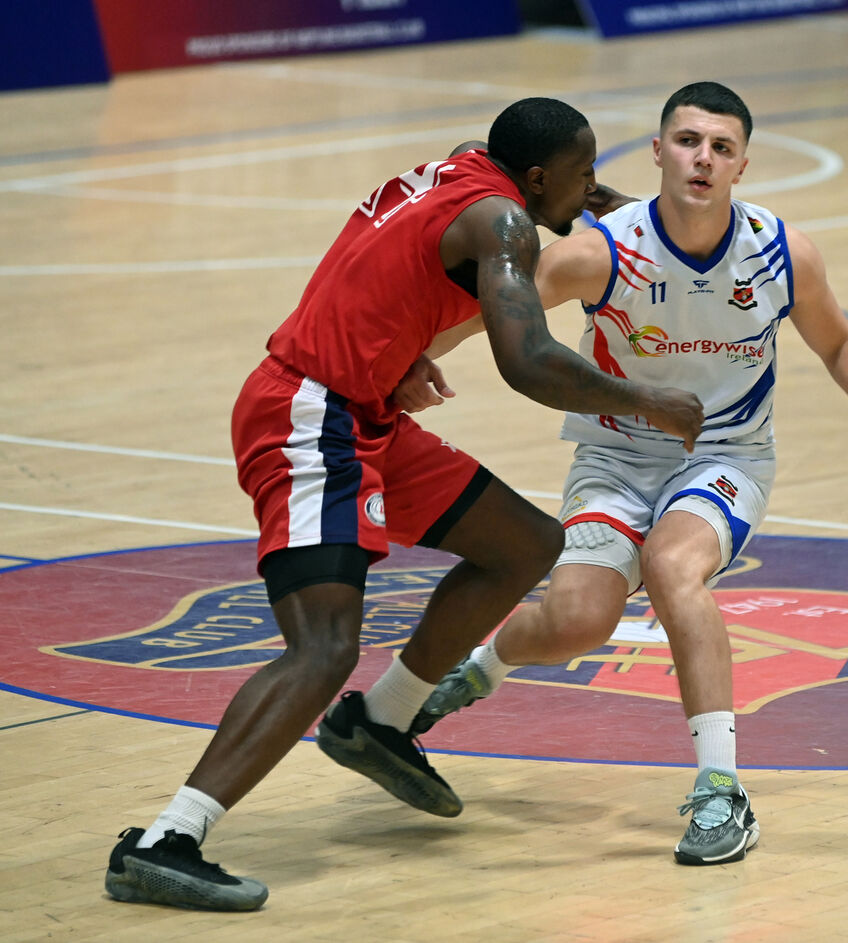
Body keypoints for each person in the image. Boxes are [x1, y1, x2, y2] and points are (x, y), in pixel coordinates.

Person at [103, 97, 704, 912]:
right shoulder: (505, 226)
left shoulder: (472, 162)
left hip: (367, 411)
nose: (591, 190)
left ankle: (381, 722)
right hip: (311, 415)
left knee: (525, 545)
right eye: (582, 174)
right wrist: (647, 401)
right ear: (533, 178)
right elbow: (527, 360)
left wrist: (651, 214)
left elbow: (568, 205)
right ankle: (167, 837)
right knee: (323, 646)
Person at [396, 82, 848, 865]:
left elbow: (837, 343)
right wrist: (413, 360)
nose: (703, 157)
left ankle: (720, 791)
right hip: (615, 456)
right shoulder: (601, 252)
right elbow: (499, 313)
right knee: (578, 621)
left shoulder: (780, 252)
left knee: (673, 567)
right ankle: (481, 667)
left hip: (725, 456)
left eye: (721, 147)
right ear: (660, 150)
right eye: (689, 140)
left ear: (742, 165)